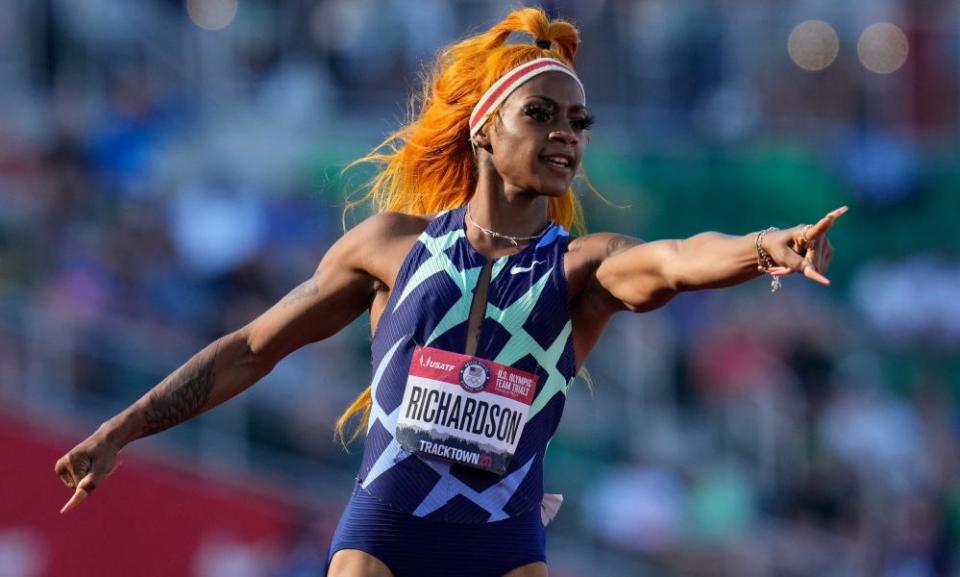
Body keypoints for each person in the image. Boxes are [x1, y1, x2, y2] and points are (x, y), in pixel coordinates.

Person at [54, 7, 845, 577]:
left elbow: (675, 260)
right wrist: (123, 429)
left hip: (501, 549)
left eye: (580, 119)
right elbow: (253, 347)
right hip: (382, 541)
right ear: (483, 130)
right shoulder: (390, 245)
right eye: (542, 115)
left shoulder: (584, 268)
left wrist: (761, 248)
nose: (567, 133)